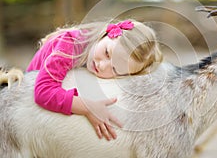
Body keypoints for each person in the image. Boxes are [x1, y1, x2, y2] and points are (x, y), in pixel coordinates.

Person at [26, 19, 163, 141]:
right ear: (105, 34)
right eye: (107, 53)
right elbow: (42, 92)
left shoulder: (101, 57)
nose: (102, 66)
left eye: (115, 70)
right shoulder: (69, 44)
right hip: (26, 109)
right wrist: (88, 107)